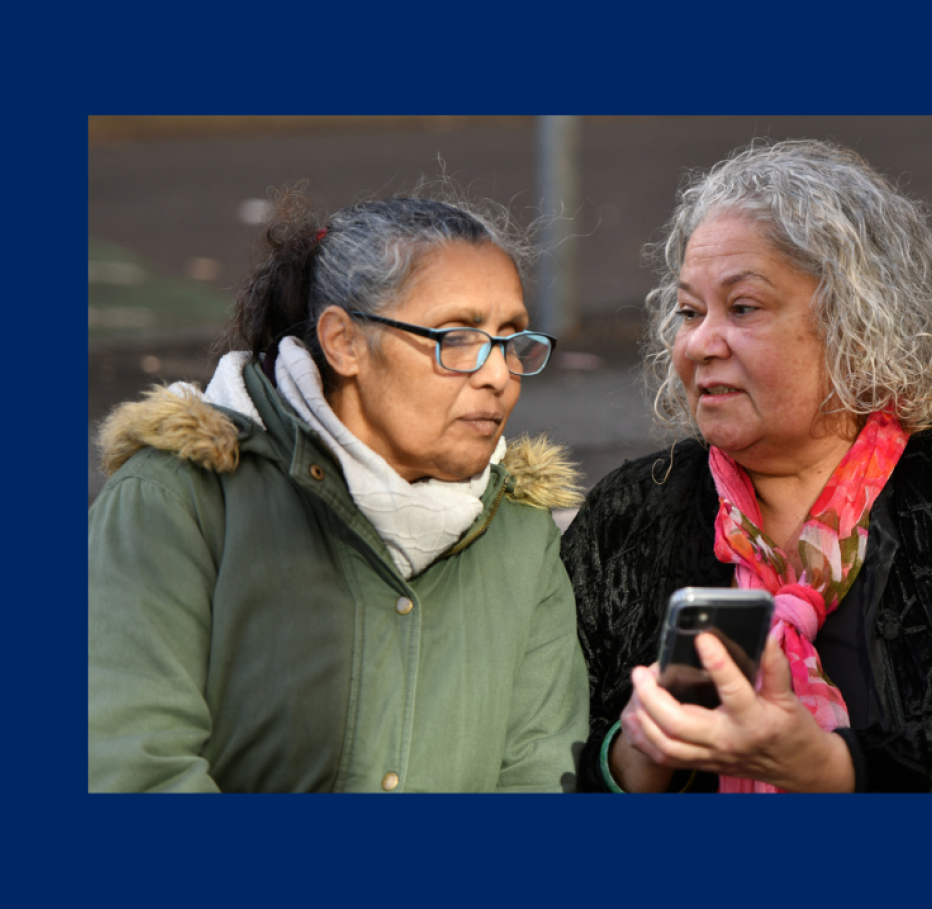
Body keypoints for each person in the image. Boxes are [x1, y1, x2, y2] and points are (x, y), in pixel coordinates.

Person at [561, 139, 932, 793]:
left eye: (743, 308)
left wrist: (825, 768)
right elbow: (542, 756)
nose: (700, 343)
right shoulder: (627, 516)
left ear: (857, 325)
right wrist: (635, 761)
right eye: (688, 311)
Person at [88, 189, 590, 793]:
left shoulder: (520, 533)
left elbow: (539, 774)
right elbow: (135, 769)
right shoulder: (179, 501)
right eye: (455, 338)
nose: (496, 374)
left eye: (510, 339)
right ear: (344, 343)